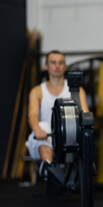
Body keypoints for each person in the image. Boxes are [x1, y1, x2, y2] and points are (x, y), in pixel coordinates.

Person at [25, 50, 89, 181]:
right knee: (43, 126)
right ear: (46, 66)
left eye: (60, 63)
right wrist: (37, 129)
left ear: (65, 67)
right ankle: (49, 169)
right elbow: (32, 114)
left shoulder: (76, 90)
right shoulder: (37, 91)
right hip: (44, 139)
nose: (57, 66)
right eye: (53, 63)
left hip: (69, 139)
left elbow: (85, 114)